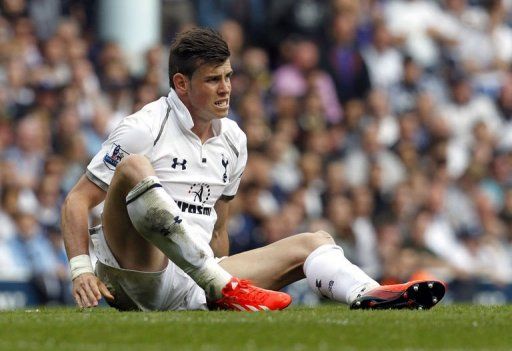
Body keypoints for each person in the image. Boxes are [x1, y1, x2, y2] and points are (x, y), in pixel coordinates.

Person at [61, 28, 445, 312]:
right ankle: (219, 285)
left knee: (316, 240)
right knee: (133, 167)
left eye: (228, 76)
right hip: (134, 276)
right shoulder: (145, 126)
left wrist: (218, 278)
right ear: (181, 83)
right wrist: (81, 271)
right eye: (213, 79)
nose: (225, 88)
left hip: (193, 283)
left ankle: (369, 294)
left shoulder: (234, 141)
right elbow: (77, 201)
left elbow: (219, 230)